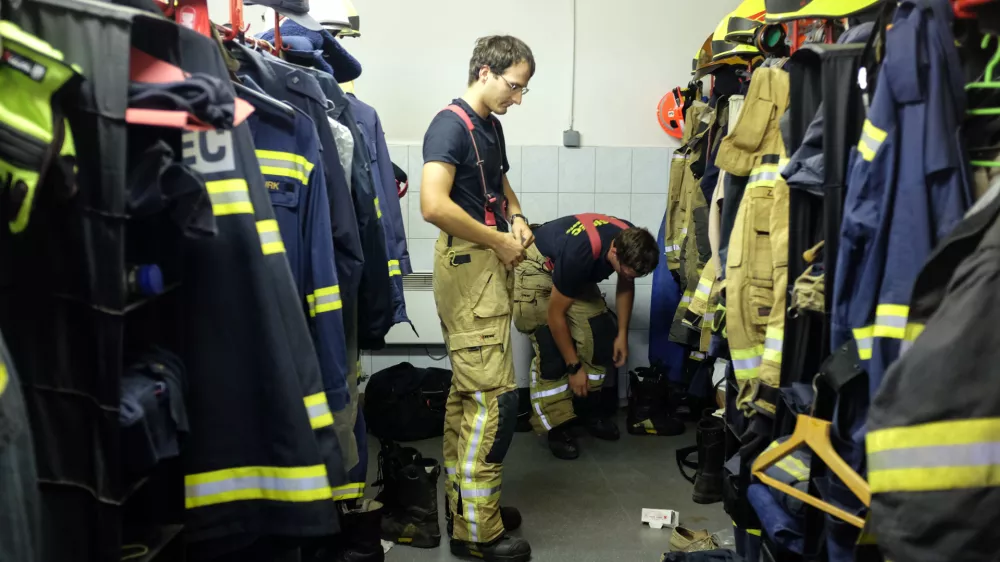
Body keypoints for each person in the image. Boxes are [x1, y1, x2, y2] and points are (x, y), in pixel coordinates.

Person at [420, 35, 535, 562]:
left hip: (486, 265)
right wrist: (497, 240)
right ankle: (476, 533)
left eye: (523, 89)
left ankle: (467, 508)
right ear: (485, 73)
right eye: (514, 86)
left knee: (469, 396)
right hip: (471, 267)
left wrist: (517, 218)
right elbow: (432, 205)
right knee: (494, 403)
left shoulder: (490, 127)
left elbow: (502, 188)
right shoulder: (450, 125)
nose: (518, 97)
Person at [513, 214, 659, 459]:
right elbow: (555, 316)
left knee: (602, 334)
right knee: (551, 349)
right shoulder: (580, 254)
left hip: (571, 270)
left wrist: (622, 333)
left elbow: (626, 283)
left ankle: (588, 410)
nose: (630, 276)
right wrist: (574, 367)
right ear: (614, 252)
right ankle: (557, 427)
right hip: (538, 267)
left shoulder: (631, 240)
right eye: (627, 271)